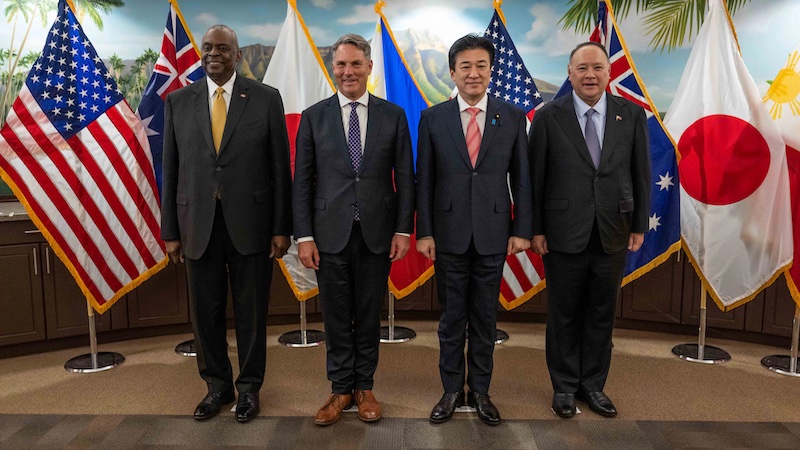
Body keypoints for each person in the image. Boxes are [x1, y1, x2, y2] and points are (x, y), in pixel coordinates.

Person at [161, 24, 292, 423]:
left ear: (238, 55)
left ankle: (250, 389)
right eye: (207, 47)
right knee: (206, 312)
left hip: (251, 224)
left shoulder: (266, 99)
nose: (213, 53)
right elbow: (171, 170)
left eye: (222, 48)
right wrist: (170, 231)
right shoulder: (178, 102)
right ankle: (217, 386)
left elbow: (279, 170)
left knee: (252, 312)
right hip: (197, 225)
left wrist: (280, 226)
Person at [293, 34, 415, 426]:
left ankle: (365, 387)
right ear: (334, 69)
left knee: (367, 312)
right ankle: (340, 388)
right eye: (341, 65)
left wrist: (403, 230)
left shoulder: (393, 115)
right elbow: (303, 181)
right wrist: (305, 236)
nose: (348, 71)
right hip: (328, 234)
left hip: (377, 232)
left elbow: (406, 179)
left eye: (355, 64)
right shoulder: (314, 116)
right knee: (335, 313)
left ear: (369, 68)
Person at [528, 41, 650, 419]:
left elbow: (640, 172)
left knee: (601, 313)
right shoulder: (549, 117)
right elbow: (535, 179)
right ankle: (564, 387)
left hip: (614, 230)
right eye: (581, 68)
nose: (590, 75)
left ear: (609, 72)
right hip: (563, 233)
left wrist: (640, 223)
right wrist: (535, 229)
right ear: (570, 73)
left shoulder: (630, 115)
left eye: (597, 68)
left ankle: (593, 386)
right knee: (563, 314)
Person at [416, 34, 532, 426]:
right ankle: (451, 390)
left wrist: (522, 229)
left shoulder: (513, 117)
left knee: (484, 317)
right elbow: (425, 181)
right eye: (465, 66)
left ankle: (480, 391)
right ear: (452, 72)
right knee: (451, 318)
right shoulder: (433, 118)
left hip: (494, 233)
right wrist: (425, 232)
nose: (473, 73)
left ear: (491, 71)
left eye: (481, 65)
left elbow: (523, 179)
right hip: (446, 234)